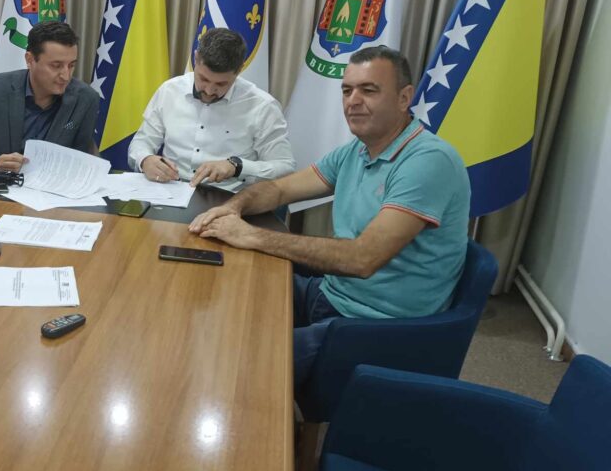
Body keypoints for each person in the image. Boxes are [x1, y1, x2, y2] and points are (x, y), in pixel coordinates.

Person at [189, 46, 470, 387]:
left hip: (379, 326)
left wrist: (252, 235)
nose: (353, 101)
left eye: (368, 90)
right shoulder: (358, 150)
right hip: (334, 294)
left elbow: (362, 259)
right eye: (347, 90)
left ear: (404, 98)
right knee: (225, 293)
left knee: (240, 363)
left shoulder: (428, 161)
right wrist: (235, 207)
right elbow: (279, 190)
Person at [127, 27, 295, 190]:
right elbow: (142, 142)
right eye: (203, 79)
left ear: (239, 70)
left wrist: (237, 167)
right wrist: (145, 159)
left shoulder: (263, 106)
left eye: (221, 84)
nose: (209, 91)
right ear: (196, 59)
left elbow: (285, 167)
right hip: (170, 191)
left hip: (228, 196)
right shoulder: (169, 91)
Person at [0, 21, 100, 183]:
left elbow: (80, 163)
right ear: (30, 60)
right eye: (56, 66)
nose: (66, 75)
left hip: (49, 192)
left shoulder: (85, 99)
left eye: (71, 65)